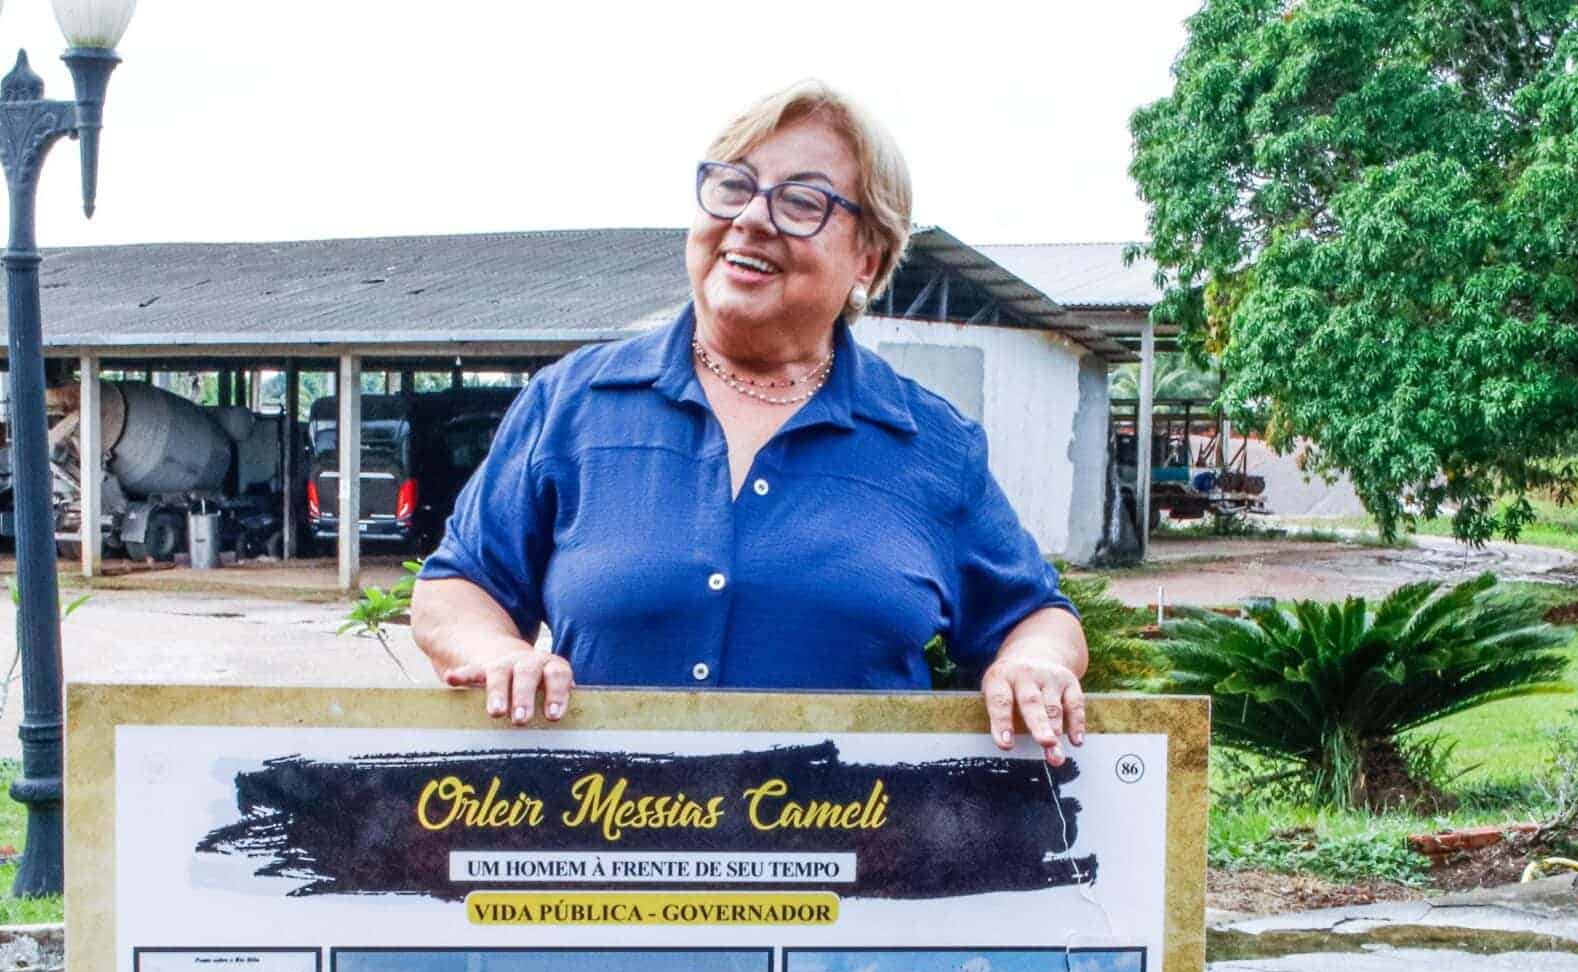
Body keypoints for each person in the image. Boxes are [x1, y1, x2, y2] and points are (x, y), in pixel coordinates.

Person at [415, 80, 1088, 760]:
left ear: (868, 259)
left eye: (802, 201)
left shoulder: (933, 444)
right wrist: (496, 652)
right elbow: (459, 586)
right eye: (733, 186)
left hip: (855, 827)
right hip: (604, 822)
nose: (752, 218)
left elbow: (1035, 616)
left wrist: (1033, 662)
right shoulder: (572, 404)